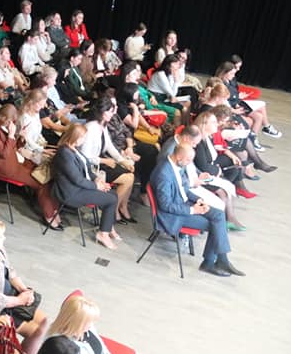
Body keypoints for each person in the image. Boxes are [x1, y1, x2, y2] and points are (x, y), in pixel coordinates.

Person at [149, 143, 243, 277]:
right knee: (215, 224)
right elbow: (166, 205)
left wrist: (199, 200)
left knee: (218, 214)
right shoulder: (163, 174)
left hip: (184, 204)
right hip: (172, 215)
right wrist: (193, 210)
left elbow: (184, 190)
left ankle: (222, 260)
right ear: (179, 156)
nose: (189, 163)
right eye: (188, 160)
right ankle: (212, 262)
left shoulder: (177, 165)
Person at [0, 105, 61, 228]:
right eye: (10, 121)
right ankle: (49, 216)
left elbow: (14, 147)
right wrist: (11, 135)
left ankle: (53, 210)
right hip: (5, 168)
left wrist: (20, 137)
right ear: (3, 118)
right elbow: (4, 153)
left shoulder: (1, 127)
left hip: (14, 162)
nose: (11, 124)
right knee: (41, 182)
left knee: (45, 175)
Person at [0, 220, 47, 340]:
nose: (4, 238)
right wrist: (20, 300)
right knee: (35, 332)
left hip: (12, 296)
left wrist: (24, 290)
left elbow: (10, 272)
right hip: (0, 308)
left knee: (44, 321)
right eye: (1, 236)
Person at [50, 124, 122, 250]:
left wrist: (97, 179)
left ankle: (108, 226)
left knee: (113, 194)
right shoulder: (64, 153)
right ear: (75, 136)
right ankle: (103, 234)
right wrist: (96, 186)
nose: (84, 139)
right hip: (71, 193)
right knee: (110, 200)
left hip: (81, 188)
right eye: (82, 137)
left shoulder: (74, 150)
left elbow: (87, 170)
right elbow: (77, 179)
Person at [77, 97, 137, 226]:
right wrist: (104, 160)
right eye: (110, 111)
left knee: (130, 173)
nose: (112, 114)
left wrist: (122, 161)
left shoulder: (101, 125)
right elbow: (84, 156)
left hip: (99, 163)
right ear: (103, 112)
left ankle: (120, 207)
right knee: (128, 179)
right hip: (89, 168)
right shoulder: (91, 128)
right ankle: (111, 209)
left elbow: (109, 146)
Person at [45, 296, 116, 354]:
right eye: (89, 322)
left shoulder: (88, 328)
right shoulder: (61, 348)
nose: (91, 325)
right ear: (77, 322)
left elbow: (105, 353)